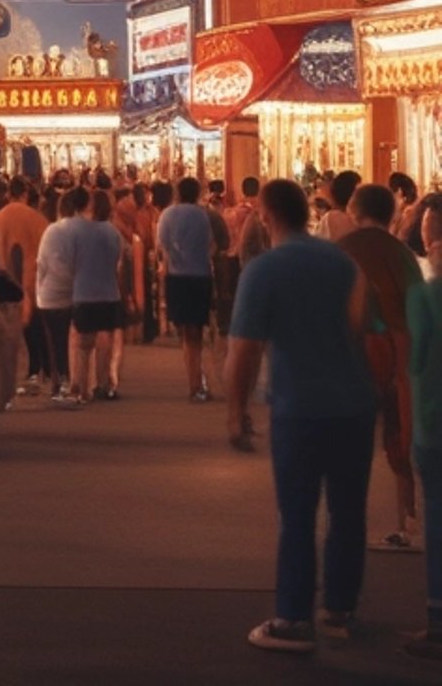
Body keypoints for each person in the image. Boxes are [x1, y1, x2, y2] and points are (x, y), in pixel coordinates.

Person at [227, 177, 375, 655]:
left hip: (299, 405)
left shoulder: (264, 270)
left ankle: (293, 618)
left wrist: (236, 413)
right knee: (348, 510)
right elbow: (359, 329)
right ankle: (340, 607)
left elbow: (244, 350)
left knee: (297, 515)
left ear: (267, 214)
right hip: (353, 402)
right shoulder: (343, 262)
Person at [341, 182, 423, 555]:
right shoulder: (402, 253)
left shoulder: (344, 251)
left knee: (351, 440)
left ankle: (348, 520)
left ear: (354, 211)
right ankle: (406, 519)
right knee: (400, 434)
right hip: (402, 351)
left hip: (355, 354)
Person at [404, 200, 442, 662]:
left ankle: (437, 619)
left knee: (436, 514)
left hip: (434, 419)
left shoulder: (425, 295)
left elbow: (413, 359)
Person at [0, 176, 47, 409]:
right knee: (34, 333)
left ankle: (3, 389)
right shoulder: (39, 221)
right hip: (34, 286)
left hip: (1, 289)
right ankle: (38, 371)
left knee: (2, 342)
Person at [157, 176, 220, 403]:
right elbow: (211, 245)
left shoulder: (167, 215)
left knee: (186, 333)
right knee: (196, 332)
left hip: (177, 276)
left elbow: (162, 245)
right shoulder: (203, 215)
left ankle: (194, 381)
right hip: (200, 275)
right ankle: (198, 381)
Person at [69, 190, 130, 402]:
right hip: (108, 292)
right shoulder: (113, 233)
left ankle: (81, 385)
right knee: (105, 340)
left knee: (84, 343)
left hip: (83, 292)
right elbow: (118, 263)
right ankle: (103, 384)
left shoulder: (79, 231)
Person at [33, 187, 84, 405]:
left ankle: (59, 381)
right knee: (76, 340)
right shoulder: (83, 229)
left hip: (51, 293)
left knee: (55, 342)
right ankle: (74, 381)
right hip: (78, 293)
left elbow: (42, 265)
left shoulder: (51, 231)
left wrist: (38, 293)